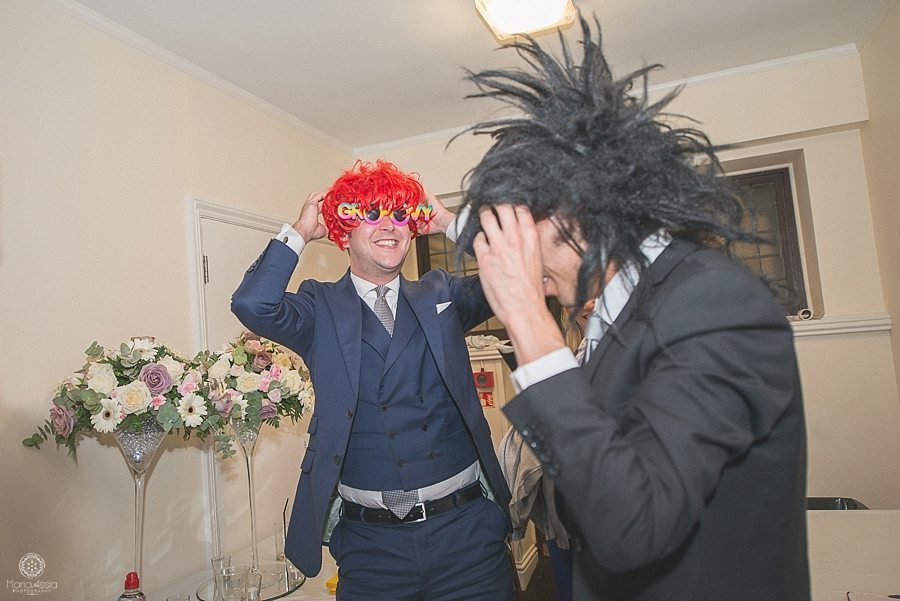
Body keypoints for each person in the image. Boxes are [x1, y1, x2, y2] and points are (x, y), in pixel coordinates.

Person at [456, 16, 811, 601]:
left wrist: (524, 316)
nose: (526, 271)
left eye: (519, 237)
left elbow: (635, 528)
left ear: (574, 210)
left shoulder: (712, 300)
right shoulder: (620, 312)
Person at [231, 160, 515, 601]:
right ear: (344, 230)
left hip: (467, 537)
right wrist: (300, 233)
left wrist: (445, 221)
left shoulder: (442, 293)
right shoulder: (317, 306)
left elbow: (521, 274)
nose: (390, 226)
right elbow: (253, 304)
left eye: (401, 215)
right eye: (372, 214)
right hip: (371, 550)